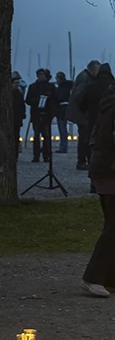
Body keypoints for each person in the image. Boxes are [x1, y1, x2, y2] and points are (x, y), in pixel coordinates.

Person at [82, 81, 115, 297]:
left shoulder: (108, 101)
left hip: (106, 168)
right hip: (110, 170)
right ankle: (93, 277)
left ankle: (109, 277)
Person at [80, 64, 115, 166]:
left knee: (92, 141)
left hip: (93, 118)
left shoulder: (90, 86)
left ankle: (92, 163)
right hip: (110, 119)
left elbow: (82, 105)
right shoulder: (112, 85)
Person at [69, 61, 102, 170]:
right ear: (93, 69)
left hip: (81, 113)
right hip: (82, 114)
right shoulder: (85, 78)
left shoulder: (83, 76)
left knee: (84, 137)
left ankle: (83, 160)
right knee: (84, 138)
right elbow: (79, 95)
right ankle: (82, 161)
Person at [25, 68, 56, 162]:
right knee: (36, 135)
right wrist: (37, 100)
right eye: (40, 75)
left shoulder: (50, 87)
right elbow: (28, 100)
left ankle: (46, 155)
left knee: (46, 135)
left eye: (43, 75)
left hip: (47, 114)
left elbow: (55, 99)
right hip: (36, 114)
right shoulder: (32, 87)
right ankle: (36, 155)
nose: (41, 76)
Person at [55, 71, 73, 153]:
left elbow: (59, 98)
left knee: (62, 129)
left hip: (61, 109)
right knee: (63, 129)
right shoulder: (69, 86)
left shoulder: (61, 88)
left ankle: (63, 146)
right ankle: (63, 146)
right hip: (66, 108)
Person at [12, 74, 27, 154]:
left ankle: (15, 153)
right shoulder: (8, 93)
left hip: (17, 118)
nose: (17, 85)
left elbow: (22, 105)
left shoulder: (19, 94)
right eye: (15, 83)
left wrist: (23, 114)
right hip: (10, 118)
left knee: (16, 136)